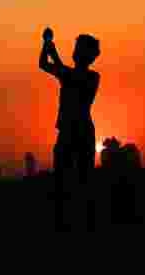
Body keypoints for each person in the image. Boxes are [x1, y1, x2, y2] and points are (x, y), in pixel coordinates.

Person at [39, 27, 101, 229]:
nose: (74, 51)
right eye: (75, 47)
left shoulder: (92, 77)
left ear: (88, 55)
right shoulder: (68, 72)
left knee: (84, 182)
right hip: (66, 132)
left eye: (78, 48)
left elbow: (68, 77)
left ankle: (86, 224)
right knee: (61, 180)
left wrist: (53, 52)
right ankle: (62, 223)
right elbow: (43, 64)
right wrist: (46, 45)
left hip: (82, 132)